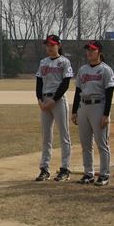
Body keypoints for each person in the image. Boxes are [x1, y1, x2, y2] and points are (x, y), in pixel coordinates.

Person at [71, 41, 114, 186]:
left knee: (102, 143)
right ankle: (88, 173)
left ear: (99, 52)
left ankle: (104, 174)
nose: (89, 52)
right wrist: (74, 111)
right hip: (84, 106)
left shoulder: (105, 70)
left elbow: (109, 93)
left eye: (93, 50)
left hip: (99, 106)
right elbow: (78, 91)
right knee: (85, 144)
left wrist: (106, 114)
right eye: (88, 50)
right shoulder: (83, 70)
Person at [35, 35, 73, 182]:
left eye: (52, 45)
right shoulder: (43, 62)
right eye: (47, 45)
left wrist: (53, 100)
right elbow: (39, 81)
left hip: (58, 101)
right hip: (44, 100)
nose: (49, 48)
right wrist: (39, 99)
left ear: (59, 45)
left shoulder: (64, 61)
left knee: (64, 135)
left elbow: (65, 83)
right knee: (46, 136)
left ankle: (65, 169)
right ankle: (44, 169)